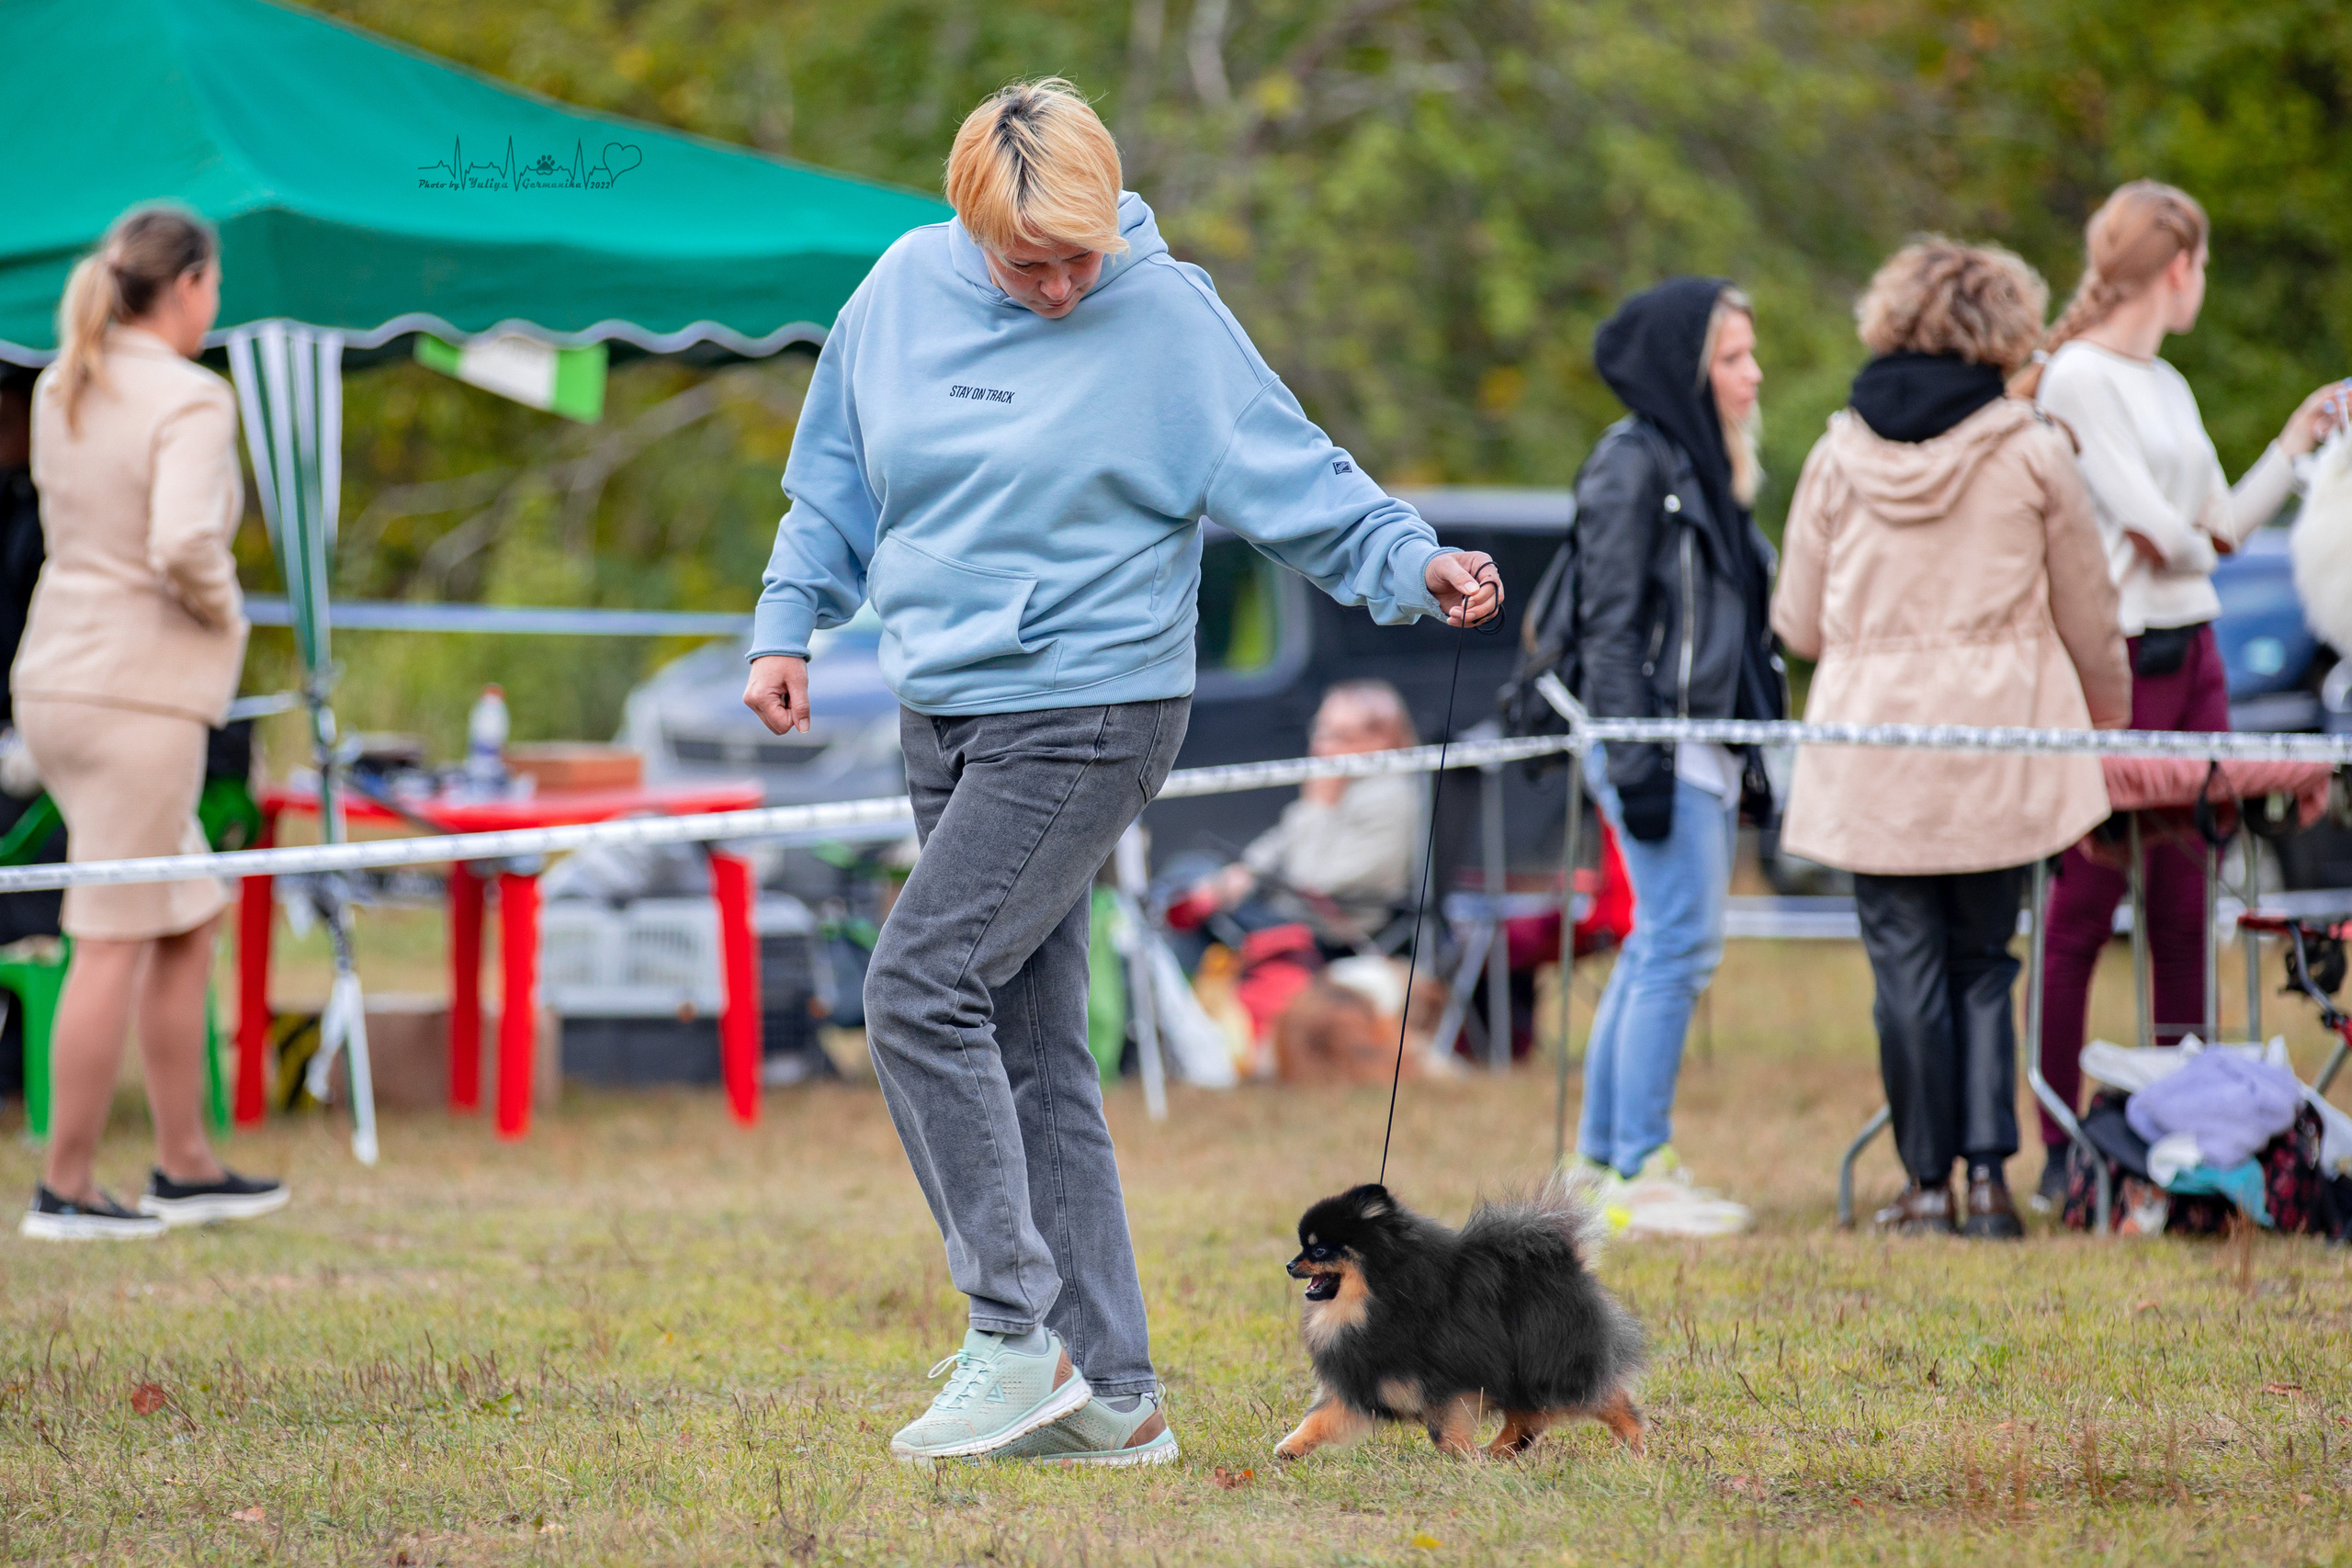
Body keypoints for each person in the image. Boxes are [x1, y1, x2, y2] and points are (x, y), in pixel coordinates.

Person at [741, 79, 1499, 1465]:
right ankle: (1120, 1394)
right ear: (970, 224)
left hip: (1094, 705)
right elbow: (832, 476)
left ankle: (1014, 1334)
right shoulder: (902, 291)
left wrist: (1412, 558)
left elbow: (1296, 472)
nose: (1062, 284)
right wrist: (789, 620)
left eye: (1084, 255)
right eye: (1031, 262)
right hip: (947, 708)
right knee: (1029, 1043)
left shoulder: (1163, 312)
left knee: (913, 986)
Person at [1773, 239, 2132, 1237]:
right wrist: (2105, 718)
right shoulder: (2031, 447)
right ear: (2004, 325)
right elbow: (2088, 612)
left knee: (1903, 972)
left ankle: (1921, 1184)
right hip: (1999, 737)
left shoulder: (1836, 449)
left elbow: (1796, 621)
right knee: (1986, 956)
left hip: (1871, 748)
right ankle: (1987, 1184)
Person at [2011, 181, 2348, 1210]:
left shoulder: (2164, 380)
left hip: (2191, 649)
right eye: (2201, 265)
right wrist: (2200, 528)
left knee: (2185, 896)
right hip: (2120, 660)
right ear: (2176, 267)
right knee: (2083, 899)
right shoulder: (2076, 378)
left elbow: (2221, 527)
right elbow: (2162, 531)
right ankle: (2063, 1140)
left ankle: (2177, 1131)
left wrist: (2291, 451)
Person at [15, 203, 286, 1241]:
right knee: (110, 934)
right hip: (137, 694)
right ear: (186, 288)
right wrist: (228, 616)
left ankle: (186, 1163)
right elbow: (180, 543)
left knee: (189, 911)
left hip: (56, 682)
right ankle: (68, 1190)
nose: (214, 309)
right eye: (213, 290)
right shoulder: (192, 398)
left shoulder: (62, 380)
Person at [1566, 276, 1785, 1238]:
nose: (1753, 373)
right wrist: (1639, 757)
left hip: (1695, 740)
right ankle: (1636, 1169)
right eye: (1733, 356)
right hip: (1652, 738)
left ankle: (1603, 1167)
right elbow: (1608, 625)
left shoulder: (1701, 463)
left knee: (1661, 943)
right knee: (1677, 944)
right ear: (1686, 369)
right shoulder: (1632, 461)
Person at [1188, 680, 1421, 947]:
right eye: (1319, 731)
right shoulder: (1343, 780)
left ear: (1381, 740)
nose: (1320, 747)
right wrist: (1244, 871)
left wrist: (1317, 807)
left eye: (1340, 736)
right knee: (1192, 871)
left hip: (1334, 932)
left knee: (1201, 920)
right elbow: (1284, 837)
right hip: (1294, 909)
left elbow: (1311, 883)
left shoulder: (1388, 797)